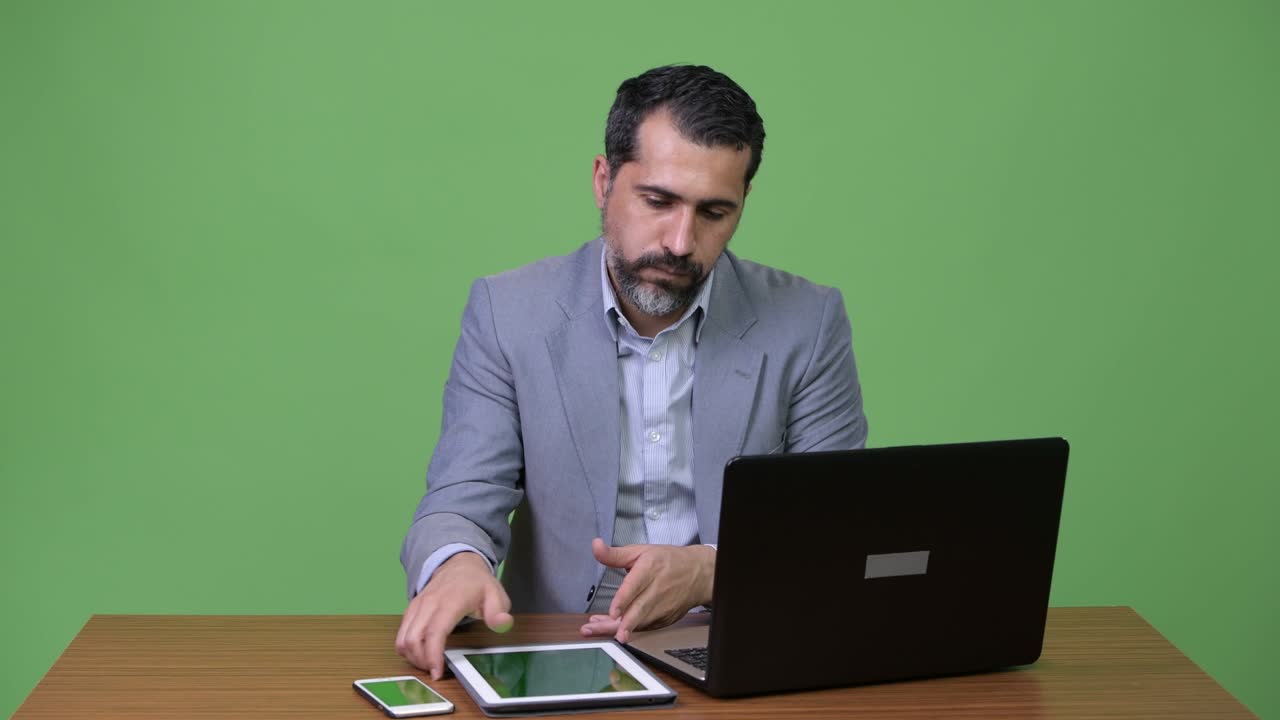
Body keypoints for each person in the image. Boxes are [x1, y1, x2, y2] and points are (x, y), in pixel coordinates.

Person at [396, 64, 868, 680]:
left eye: (714, 212)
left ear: (743, 205)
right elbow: (458, 499)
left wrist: (712, 569)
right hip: (555, 648)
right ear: (603, 180)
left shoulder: (808, 321)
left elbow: (834, 532)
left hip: (737, 642)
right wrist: (459, 564)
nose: (679, 241)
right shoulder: (506, 313)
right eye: (658, 201)